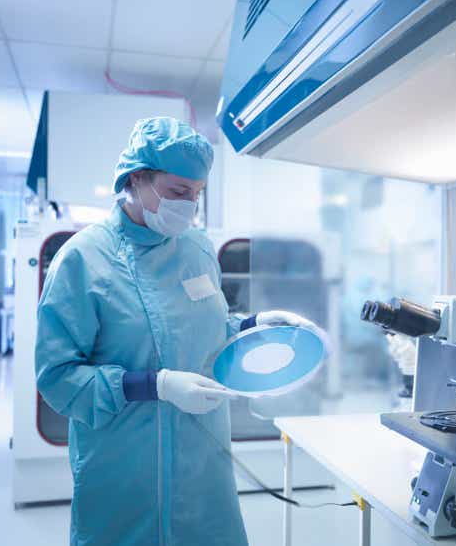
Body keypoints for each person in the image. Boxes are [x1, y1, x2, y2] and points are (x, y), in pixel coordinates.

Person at [35, 116, 319, 546]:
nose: (189, 206)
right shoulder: (83, 259)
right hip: (124, 459)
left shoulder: (197, 247)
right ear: (136, 181)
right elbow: (57, 377)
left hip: (202, 453)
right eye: (177, 192)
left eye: (198, 193)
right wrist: (156, 386)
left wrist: (253, 325)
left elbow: (202, 327)